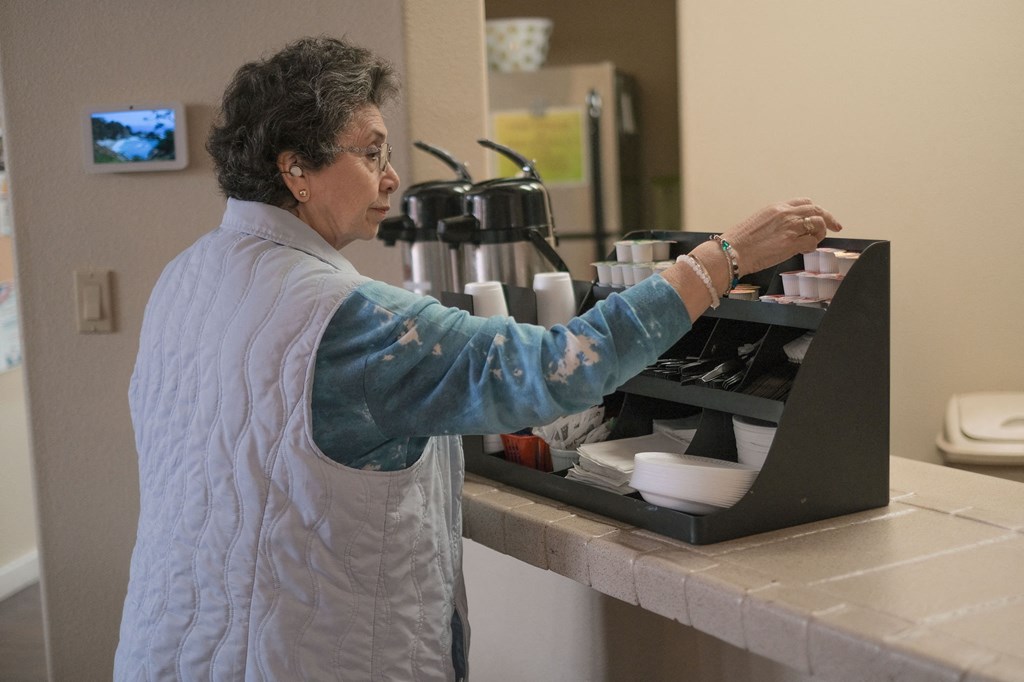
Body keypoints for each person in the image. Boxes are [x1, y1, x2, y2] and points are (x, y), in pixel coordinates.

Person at [113, 36, 840, 681]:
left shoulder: (188, 276)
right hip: (309, 654)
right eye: (370, 153)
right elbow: (560, 367)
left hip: (170, 643)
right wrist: (723, 260)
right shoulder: (346, 319)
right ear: (295, 169)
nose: (392, 178)